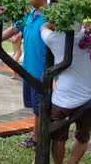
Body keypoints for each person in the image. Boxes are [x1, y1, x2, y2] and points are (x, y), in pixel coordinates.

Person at [2, 0, 49, 148]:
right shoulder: (30, 15)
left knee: (39, 108)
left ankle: (37, 137)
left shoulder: (50, 17)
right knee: (34, 107)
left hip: (41, 72)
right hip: (27, 70)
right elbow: (14, 29)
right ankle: (36, 133)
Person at [40, 23, 91, 164]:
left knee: (58, 137)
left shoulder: (55, 38)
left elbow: (43, 28)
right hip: (88, 97)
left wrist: (53, 22)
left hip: (63, 99)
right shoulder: (87, 37)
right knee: (83, 135)